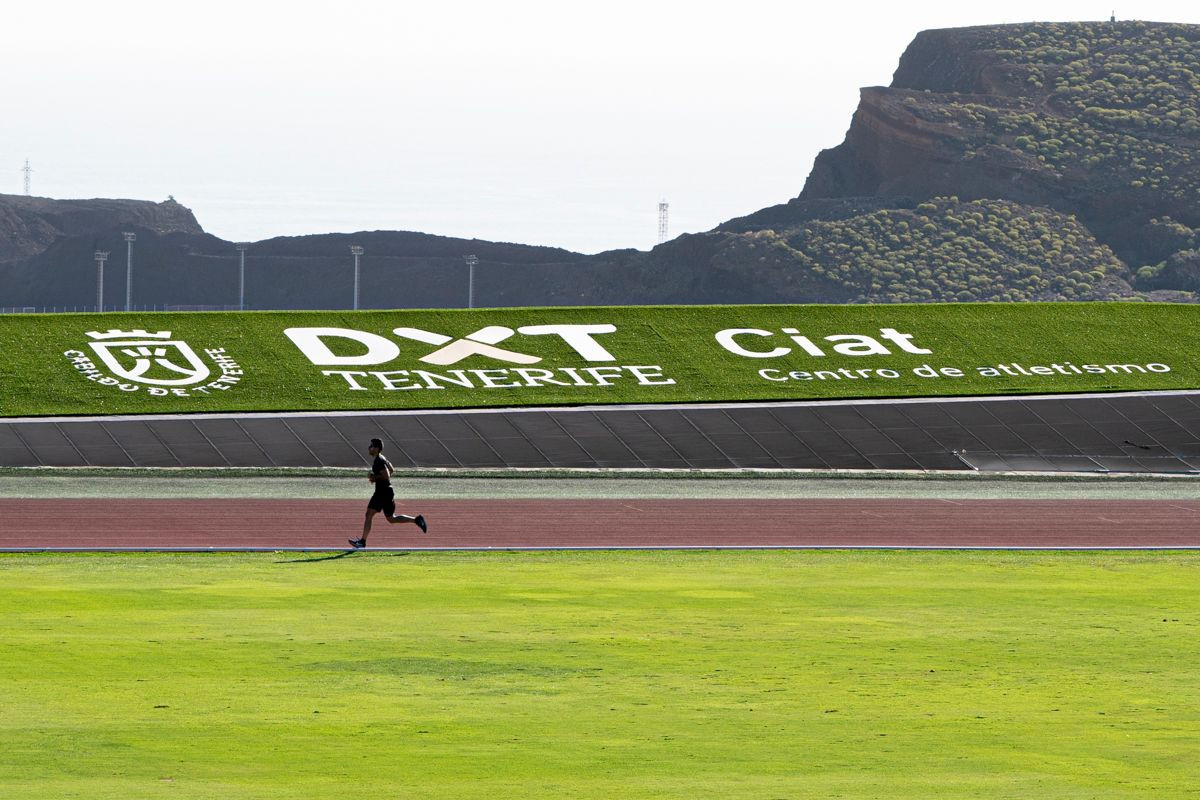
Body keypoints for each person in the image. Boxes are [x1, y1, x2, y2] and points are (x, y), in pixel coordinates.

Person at [349, 438, 427, 548]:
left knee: (369, 514)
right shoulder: (382, 458)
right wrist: (376, 478)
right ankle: (416, 520)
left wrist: (374, 477)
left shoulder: (378, 461)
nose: (369, 448)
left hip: (382, 492)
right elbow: (391, 469)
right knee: (391, 518)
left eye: (371, 446)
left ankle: (362, 542)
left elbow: (387, 475)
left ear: (376, 449)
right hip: (387, 491)